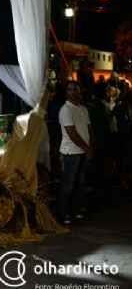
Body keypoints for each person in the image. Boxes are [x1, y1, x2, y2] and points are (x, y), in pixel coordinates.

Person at [57, 80, 94, 224]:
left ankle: (75, 210)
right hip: (70, 152)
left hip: (83, 151)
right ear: (67, 92)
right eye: (70, 89)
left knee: (78, 183)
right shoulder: (66, 110)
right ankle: (63, 214)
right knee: (68, 184)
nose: (73, 92)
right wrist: (87, 148)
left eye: (75, 89)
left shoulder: (83, 109)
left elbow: (89, 129)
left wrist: (91, 147)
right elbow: (71, 133)